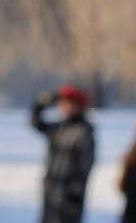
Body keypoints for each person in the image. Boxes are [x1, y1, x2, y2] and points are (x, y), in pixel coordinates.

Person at [29, 86, 97, 223]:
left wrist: (74, 193)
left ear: (78, 106)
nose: (63, 107)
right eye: (62, 103)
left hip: (68, 199)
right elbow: (36, 122)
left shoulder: (83, 131)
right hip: (51, 193)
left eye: (68, 103)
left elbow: (85, 165)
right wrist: (44, 102)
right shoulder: (59, 128)